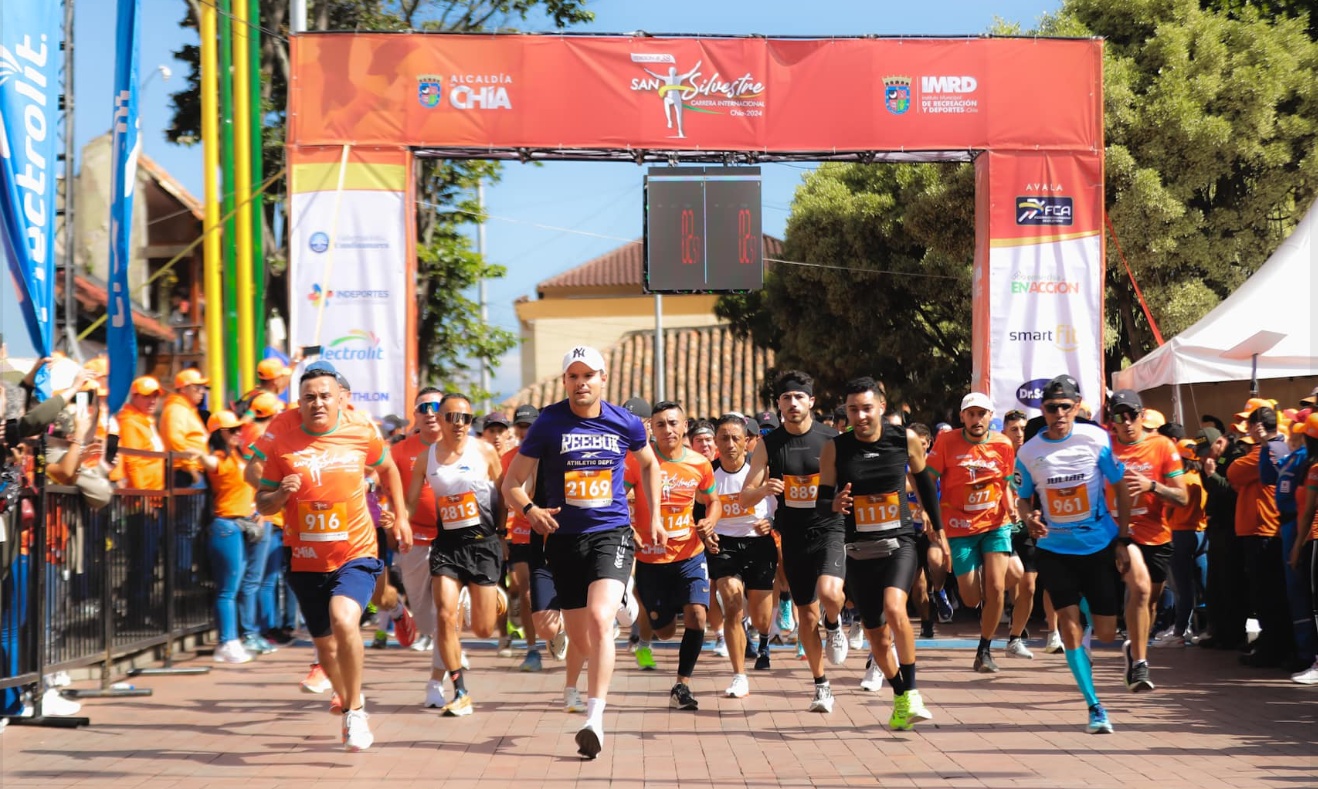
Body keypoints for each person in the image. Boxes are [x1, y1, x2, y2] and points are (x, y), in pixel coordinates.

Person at [500, 346, 662, 760]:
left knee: (598, 619)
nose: (580, 383)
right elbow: (512, 483)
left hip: (611, 532)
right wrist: (530, 509)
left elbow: (649, 465)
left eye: (588, 375)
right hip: (563, 539)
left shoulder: (624, 422)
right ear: (565, 382)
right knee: (578, 637)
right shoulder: (549, 423)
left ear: (603, 378)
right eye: (573, 376)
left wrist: (654, 516)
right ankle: (613, 613)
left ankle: (594, 718)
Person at [254, 362, 412, 751]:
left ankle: (356, 709)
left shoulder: (361, 431)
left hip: (354, 549)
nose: (318, 403)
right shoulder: (282, 441)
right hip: (305, 556)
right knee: (324, 649)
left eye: (325, 395)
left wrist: (401, 516)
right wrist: (280, 495)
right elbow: (262, 498)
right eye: (310, 397)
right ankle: (347, 705)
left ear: (340, 397)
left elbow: (388, 468)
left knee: (345, 619)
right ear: (300, 402)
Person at [820, 377, 943, 729]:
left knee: (894, 607)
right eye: (853, 409)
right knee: (875, 634)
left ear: (881, 408)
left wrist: (940, 530)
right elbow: (820, 501)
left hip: (899, 542)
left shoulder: (903, 439)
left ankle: (914, 691)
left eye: (867, 408)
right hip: (858, 549)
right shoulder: (836, 448)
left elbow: (925, 486)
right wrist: (834, 503)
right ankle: (901, 696)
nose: (860, 415)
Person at [1015, 374, 1134, 734]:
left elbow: (1120, 487)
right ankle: (1095, 707)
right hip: (1055, 549)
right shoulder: (1029, 452)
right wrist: (1028, 518)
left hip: (1098, 546)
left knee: (1108, 633)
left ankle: (1104, 631)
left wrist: (1124, 539)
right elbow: (1022, 499)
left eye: (1066, 406)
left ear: (1077, 407)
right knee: (1068, 630)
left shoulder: (1096, 438)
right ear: (1042, 410)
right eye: (1051, 408)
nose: (1059, 413)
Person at [741, 370, 848, 713]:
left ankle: (835, 623)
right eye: (786, 398)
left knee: (831, 594)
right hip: (794, 535)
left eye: (799, 397)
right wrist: (764, 489)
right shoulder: (768, 445)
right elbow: (745, 497)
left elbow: (852, 482)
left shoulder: (832, 439)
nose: (792, 403)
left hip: (830, 528)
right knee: (805, 616)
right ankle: (821, 686)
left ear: (811, 402)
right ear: (779, 404)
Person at [406, 392, 505, 716]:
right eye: (452, 417)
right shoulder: (427, 458)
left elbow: (504, 493)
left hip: (484, 545)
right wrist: (398, 518)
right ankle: (460, 690)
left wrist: (503, 533)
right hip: (447, 546)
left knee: (483, 629)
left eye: (465, 418)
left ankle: (494, 598)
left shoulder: (486, 451)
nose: (459, 423)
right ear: (441, 419)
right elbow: (409, 503)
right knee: (445, 617)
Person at [625, 401, 719, 710]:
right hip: (651, 559)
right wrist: (631, 530)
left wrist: (710, 520)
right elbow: (615, 498)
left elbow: (712, 499)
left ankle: (682, 685)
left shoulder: (699, 463)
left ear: (685, 426)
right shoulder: (637, 461)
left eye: (673, 423)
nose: (668, 430)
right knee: (664, 631)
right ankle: (649, 613)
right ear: (651, 428)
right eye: (661, 424)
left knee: (697, 616)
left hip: (690, 553)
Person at [928, 393, 1019, 672]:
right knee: (970, 598)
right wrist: (930, 516)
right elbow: (929, 479)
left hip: (995, 523)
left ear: (991, 416)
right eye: (971, 414)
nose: (977, 419)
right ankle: (981, 578)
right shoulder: (946, 442)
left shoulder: (1003, 444)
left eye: (982, 414)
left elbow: (1005, 483)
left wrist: (1011, 507)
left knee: (995, 587)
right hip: (959, 526)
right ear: (962, 417)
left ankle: (985, 649)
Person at [1105, 389, 1187, 675]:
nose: (1126, 422)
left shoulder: (1162, 446)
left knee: (1149, 601)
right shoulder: (1104, 447)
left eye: (1132, 416)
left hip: (1157, 535)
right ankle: (1140, 663)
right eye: (1119, 416)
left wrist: (1151, 486)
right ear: (1112, 420)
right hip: (1117, 534)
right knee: (1138, 589)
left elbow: (1182, 497)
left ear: (1141, 416)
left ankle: (1135, 646)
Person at [705, 413, 776, 693]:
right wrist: (707, 531)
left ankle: (762, 637)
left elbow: (781, 505)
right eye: (724, 437)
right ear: (716, 441)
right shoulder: (708, 473)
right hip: (725, 545)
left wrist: (772, 523)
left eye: (736, 438)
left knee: (760, 618)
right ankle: (739, 675)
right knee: (732, 604)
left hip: (759, 543)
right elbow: (700, 510)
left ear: (748, 441)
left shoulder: (760, 471)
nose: (730, 444)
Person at [1229, 405, 1292, 667]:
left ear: (1258, 426)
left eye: (1249, 425)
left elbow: (1232, 472)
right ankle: (1272, 643)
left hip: (1263, 530)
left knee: (1267, 594)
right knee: (1267, 593)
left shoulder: (1267, 450)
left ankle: (1274, 648)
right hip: (1262, 529)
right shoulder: (1272, 449)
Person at [391, 387, 444, 674]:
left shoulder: (461, 446)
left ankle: (449, 655)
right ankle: (403, 615)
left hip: (453, 539)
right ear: (415, 416)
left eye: (436, 406)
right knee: (424, 617)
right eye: (424, 408)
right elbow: (379, 480)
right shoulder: (399, 452)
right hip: (415, 539)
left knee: (445, 608)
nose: (431, 413)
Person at [1263, 410, 1317, 670]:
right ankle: (1301, 650)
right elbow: (1268, 477)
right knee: (1294, 591)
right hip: (1287, 526)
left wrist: (1298, 542)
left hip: (1299, 528)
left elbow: (1306, 508)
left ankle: (1307, 653)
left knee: (1301, 591)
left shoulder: (1307, 460)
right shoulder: (1295, 458)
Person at [201, 410, 257, 664]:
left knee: (231, 588)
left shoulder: (235, 455)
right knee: (228, 589)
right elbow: (198, 456)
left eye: (239, 429)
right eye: (233, 430)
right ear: (221, 433)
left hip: (237, 526)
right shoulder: (217, 458)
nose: (239, 433)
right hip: (227, 526)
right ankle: (227, 642)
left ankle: (229, 641)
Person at [1001, 409, 1052, 652]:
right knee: (1013, 577)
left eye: (1023, 429)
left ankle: (1015, 638)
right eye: (1014, 429)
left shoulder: (1036, 457)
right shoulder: (998, 456)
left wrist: (1037, 513)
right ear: (1004, 432)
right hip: (1002, 529)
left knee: (1029, 586)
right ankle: (993, 611)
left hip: (1028, 528)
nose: (1020, 434)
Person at [503, 404, 546, 671]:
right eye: (520, 425)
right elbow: (502, 494)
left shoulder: (551, 453)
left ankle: (559, 632)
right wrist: (499, 533)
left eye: (530, 425)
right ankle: (532, 649)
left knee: (558, 590)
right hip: (519, 531)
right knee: (527, 591)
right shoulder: (508, 457)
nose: (525, 430)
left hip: (550, 528)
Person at [1162, 438, 1209, 648]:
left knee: (1182, 587)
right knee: (1204, 585)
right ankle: (1206, 629)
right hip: (1201, 534)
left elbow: (1168, 508)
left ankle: (1180, 631)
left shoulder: (1180, 482)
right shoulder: (1201, 477)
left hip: (1180, 535)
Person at [1288, 412, 1318, 683]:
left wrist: (1297, 545)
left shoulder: (1315, 470)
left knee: (1316, 602)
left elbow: (1309, 512)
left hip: (1315, 538)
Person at [160, 369, 210, 489]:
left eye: (203, 387)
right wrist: (190, 469)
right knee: (188, 507)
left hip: (191, 471)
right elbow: (175, 441)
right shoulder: (177, 409)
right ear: (183, 389)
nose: (202, 391)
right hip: (185, 474)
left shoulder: (187, 409)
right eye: (197, 387)